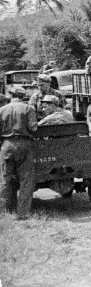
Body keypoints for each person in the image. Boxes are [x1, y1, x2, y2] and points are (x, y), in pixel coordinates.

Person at [0, 87, 37, 220]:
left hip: (6, 144)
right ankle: (22, 213)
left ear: (11, 95)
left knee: (5, 179)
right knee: (26, 180)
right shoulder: (29, 108)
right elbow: (33, 128)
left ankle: (4, 212)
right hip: (24, 144)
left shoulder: (2, 110)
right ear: (23, 96)